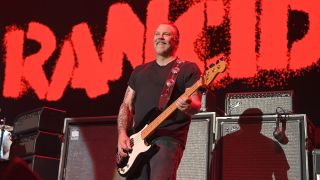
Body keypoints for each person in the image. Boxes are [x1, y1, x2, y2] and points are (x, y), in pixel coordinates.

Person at [116, 22, 201, 180]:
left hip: (168, 138)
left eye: (166, 34)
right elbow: (126, 104)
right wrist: (122, 134)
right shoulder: (139, 71)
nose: (160, 37)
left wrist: (187, 104)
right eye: (157, 34)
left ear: (176, 41)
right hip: (138, 141)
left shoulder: (188, 69)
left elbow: (196, 104)